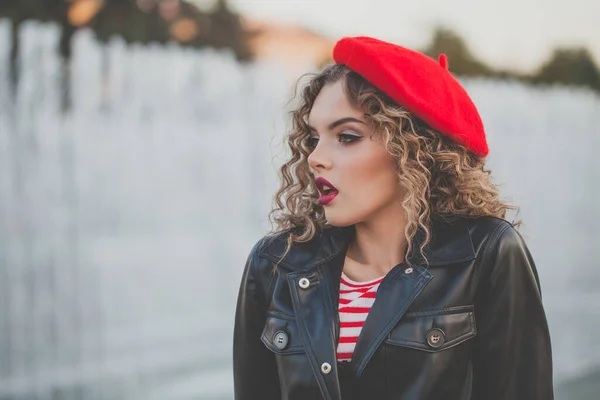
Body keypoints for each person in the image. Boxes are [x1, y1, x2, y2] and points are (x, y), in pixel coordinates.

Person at [232, 36, 554, 400]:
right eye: (313, 137)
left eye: (347, 136)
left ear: (413, 149)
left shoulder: (487, 254)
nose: (315, 157)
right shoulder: (276, 264)